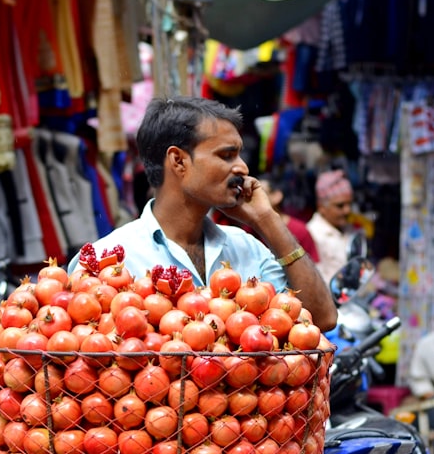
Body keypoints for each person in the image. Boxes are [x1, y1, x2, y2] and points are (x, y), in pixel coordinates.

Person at [69, 96, 336, 332]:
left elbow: (322, 319)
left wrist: (267, 219)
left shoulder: (246, 247)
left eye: (239, 155)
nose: (242, 167)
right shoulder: (106, 260)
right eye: (227, 155)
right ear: (178, 161)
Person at [306, 169, 355, 284]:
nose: (347, 210)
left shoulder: (347, 229)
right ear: (321, 207)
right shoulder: (313, 234)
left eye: (349, 204)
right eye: (340, 206)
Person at [263, 177, 319, 263]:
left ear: (277, 196)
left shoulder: (299, 230)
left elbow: (313, 266)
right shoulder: (248, 230)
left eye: (260, 193)